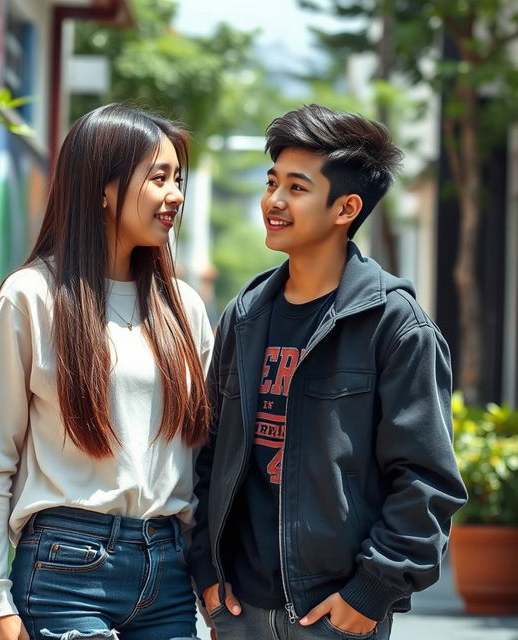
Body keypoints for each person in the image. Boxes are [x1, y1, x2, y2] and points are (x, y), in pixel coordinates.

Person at [188, 104, 467, 640]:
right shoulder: (246, 315)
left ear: (346, 208)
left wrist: (372, 592)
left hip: (335, 616)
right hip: (238, 608)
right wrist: (207, 570)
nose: (273, 201)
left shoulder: (396, 325)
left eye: (296, 187)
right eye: (272, 183)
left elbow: (427, 478)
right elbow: (210, 450)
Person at [0, 104, 213, 640]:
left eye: (177, 179)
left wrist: (211, 576)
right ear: (103, 188)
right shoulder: (31, 298)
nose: (175, 195)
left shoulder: (184, 309)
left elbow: (204, 458)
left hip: (169, 571)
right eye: (158, 178)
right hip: (65, 567)